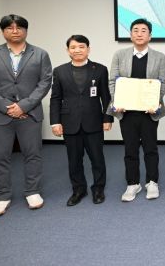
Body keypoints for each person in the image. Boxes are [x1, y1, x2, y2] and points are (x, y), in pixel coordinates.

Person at [0, 14, 52, 218]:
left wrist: (23, 106)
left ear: (26, 30)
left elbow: (45, 83)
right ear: (3, 31)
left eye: (19, 27)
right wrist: (6, 106)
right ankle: (2, 196)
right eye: (10, 28)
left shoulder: (40, 54)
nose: (15, 31)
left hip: (30, 113)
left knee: (33, 154)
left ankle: (33, 191)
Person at [108, 18, 165, 202]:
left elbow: (163, 82)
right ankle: (132, 183)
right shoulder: (120, 54)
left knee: (151, 148)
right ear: (130, 35)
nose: (139, 34)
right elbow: (113, 81)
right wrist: (117, 101)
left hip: (149, 112)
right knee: (130, 149)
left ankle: (152, 182)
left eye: (143, 31)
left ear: (150, 36)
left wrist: (154, 102)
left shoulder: (159, 57)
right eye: (135, 30)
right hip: (126, 112)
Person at [50, 35, 113, 206]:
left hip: (94, 121)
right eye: (73, 47)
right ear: (67, 50)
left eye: (81, 47)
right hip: (69, 123)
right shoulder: (59, 71)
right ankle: (78, 189)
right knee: (74, 160)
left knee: (97, 158)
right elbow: (55, 98)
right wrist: (55, 122)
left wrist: (107, 118)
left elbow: (106, 97)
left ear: (88, 49)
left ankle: (98, 189)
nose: (77, 50)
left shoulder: (100, 69)